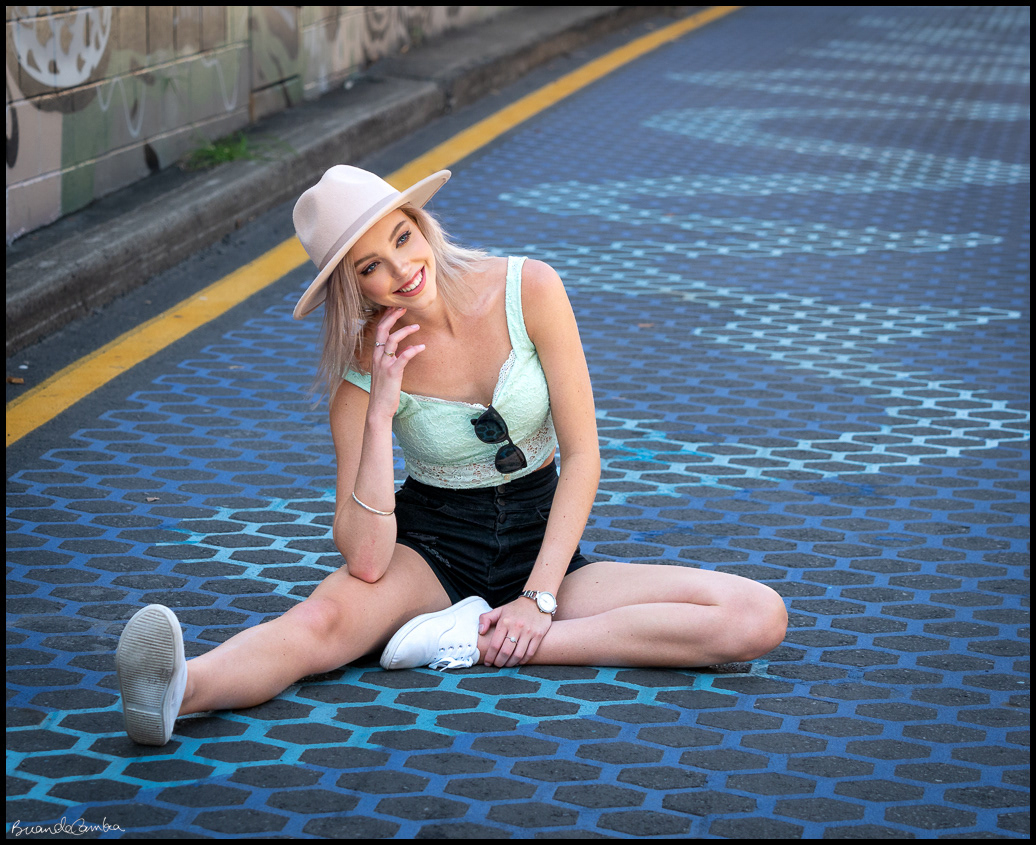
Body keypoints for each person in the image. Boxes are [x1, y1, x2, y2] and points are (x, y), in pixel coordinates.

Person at [116, 165, 788, 746]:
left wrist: (538, 600)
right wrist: (381, 408)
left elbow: (584, 456)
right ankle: (178, 690)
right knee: (318, 624)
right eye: (369, 267)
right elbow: (367, 559)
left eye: (400, 238)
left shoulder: (530, 289)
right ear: (354, 287)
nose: (401, 270)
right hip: (431, 550)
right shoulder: (361, 370)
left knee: (755, 616)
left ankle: (472, 642)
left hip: (544, 545)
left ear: (420, 224)